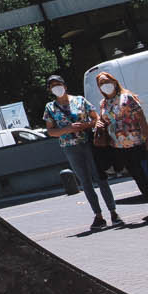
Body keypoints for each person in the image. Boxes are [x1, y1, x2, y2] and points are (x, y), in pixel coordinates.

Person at [93, 71, 148, 224]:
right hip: (119, 147)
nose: (105, 85)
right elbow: (106, 120)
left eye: (107, 81)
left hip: (138, 142)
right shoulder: (103, 104)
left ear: (114, 81)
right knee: (138, 178)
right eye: (101, 84)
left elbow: (141, 118)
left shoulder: (127, 97)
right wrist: (100, 123)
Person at [44, 74, 123, 233]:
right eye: (52, 86)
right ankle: (98, 215)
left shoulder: (79, 100)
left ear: (65, 85)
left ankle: (113, 212)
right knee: (85, 181)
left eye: (58, 84)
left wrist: (84, 125)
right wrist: (67, 129)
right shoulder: (50, 108)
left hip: (88, 143)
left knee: (100, 177)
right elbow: (50, 131)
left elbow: (97, 119)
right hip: (70, 146)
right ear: (50, 89)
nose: (56, 87)